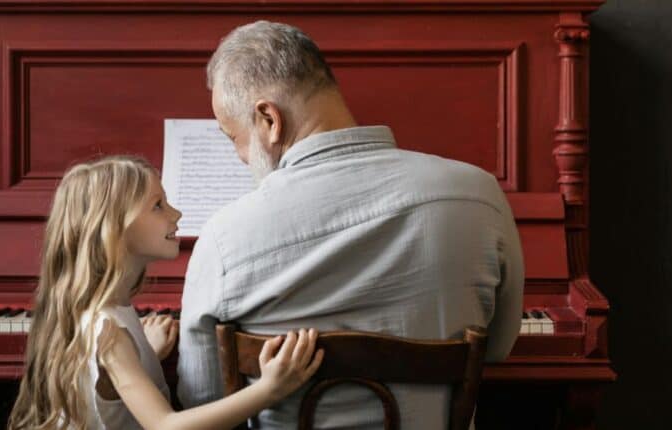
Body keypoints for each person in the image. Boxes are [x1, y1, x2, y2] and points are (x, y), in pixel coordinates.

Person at [178, 21, 524, 429]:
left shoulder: (223, 237)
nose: (238, 154)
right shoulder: (480, 192)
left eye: (230, 136)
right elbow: (499, 347)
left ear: (269, 119)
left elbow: (201, 396)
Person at [7, 155, 323, 430]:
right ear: (113, 228)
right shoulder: (108, 332)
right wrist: (270, 389)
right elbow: (166, 426)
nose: (176, 214)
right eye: (158, 205)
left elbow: (104, 387)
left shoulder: (104, 313)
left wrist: (147, 356)